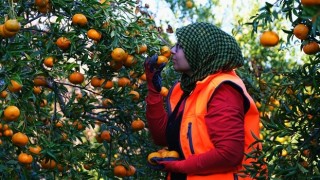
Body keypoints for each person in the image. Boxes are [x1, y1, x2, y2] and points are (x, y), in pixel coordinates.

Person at [144, 22, 261, 180]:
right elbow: (162, 138)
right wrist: (153, 89)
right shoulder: (187, 89)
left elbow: (229, 155)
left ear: (199, 50)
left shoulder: (223, 89)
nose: (172, 50)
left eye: (180, 46)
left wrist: (179, 166)